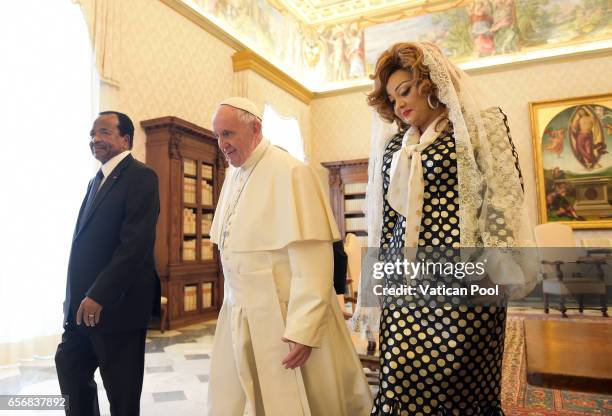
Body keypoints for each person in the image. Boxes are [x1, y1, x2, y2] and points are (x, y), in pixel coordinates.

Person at [354, 42, 534, 415]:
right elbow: (389, 221)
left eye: (405, 90)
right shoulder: (394, 149)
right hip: (407, 288)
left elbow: (502, 199)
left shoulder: (480, 128)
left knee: (455, 377)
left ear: (431, 82)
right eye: (392, 97)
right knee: (402, 374)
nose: (400, 104)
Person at [207, 97, 372, 415]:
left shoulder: (292, 172)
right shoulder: (234, 175)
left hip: (283, 316)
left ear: (255, 127)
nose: (221, 144)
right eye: (217, 135)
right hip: (240, 311)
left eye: (228, 134)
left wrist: (303, 329)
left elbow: (313, 264)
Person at [55, 111, 161, 416]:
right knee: (70, 369)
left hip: (117, 309)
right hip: (80, 310)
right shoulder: (95, 182)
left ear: (125, 139)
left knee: (122, 397)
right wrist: (73, 298)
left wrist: (99, 294)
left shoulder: (141, 176)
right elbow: (84, 247)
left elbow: (135, 245)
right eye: (92, 134)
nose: (94, 139)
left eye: (103, 132)